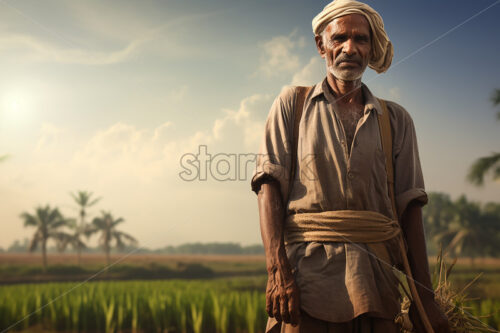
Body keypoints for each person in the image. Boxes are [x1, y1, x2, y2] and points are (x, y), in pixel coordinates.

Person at [250, 0, 451, 332]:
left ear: (371, 49)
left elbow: (409, 209)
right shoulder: (292, 104)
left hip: (377, 285)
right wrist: (277, 273)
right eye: (340, 38)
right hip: (305, 283)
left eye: (361, 39)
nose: (350, 48)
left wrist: (424, 299)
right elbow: (268, 185)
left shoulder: (396, 120)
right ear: (321, 45)